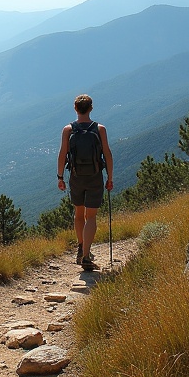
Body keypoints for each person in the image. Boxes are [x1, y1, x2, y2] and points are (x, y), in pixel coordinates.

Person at [56, 94, 114, 270]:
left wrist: (60, 177)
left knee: (79, 214)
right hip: (95, 176)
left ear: (75, 108)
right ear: (91, 108)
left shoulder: (68, 130)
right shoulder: (100, 129)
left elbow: (62, 154)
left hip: (75, 177)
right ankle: (87, 256)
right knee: (92, 216)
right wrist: (110, 177)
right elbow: (107, 154)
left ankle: (80, 247)